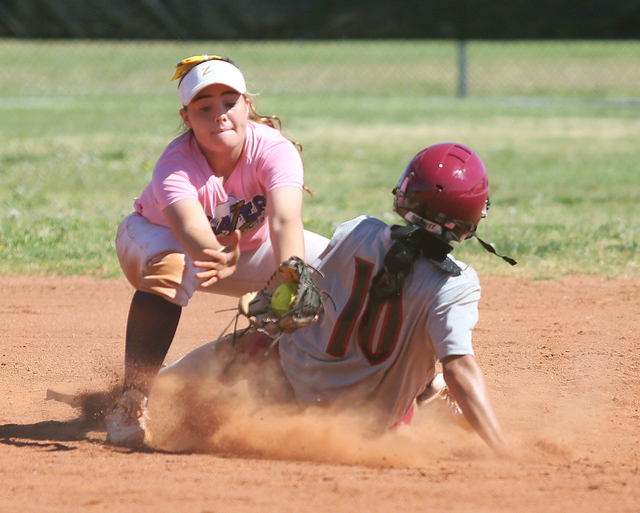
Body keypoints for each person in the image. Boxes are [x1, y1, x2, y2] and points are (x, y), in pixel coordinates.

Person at [149, 142, 515, 456]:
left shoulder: (357, 231)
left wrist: (275, 311)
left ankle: (148, 395)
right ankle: (427, 397)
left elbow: (305, 302)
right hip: (370, 429)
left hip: (285, 397)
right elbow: (460, 368)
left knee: (254, 340)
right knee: (416, 356)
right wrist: (502, 449)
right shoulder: (456, 284)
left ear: (406, 190)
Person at [106, 54, 330, 446]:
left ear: (247, 105)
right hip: (155, 240)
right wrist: (213, 252)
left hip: (246, 251)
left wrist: (292, 276)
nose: (219, 114)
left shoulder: (274, 150)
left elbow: (284, 222)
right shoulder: (174, 166)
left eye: (229, 101)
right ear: (186, 116)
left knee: (340, 263)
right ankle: (132, 400)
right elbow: (190, 226)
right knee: (173, 268)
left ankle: (414, 382)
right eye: (204, 107)